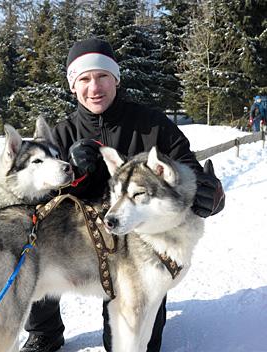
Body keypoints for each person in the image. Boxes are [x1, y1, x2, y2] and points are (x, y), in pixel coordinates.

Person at [20, 38, 225, 352]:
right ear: (73, 86)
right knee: (30, 243)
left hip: (136, 245)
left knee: (132, 342)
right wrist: (71, 178)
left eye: (102, 76)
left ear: (115, 78)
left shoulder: (151, 125)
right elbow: (29, 196)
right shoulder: (61, 135)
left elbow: (185, 167)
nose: (95, 87)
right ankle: (45, 331)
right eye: (84, 79)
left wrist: (210, 194)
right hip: (76, 238)